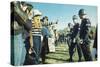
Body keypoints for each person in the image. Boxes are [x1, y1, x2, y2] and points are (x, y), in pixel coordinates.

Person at [11, 1, 30, 65]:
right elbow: (28, 24)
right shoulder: (16, 6)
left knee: (20, 61)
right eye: (25, 6)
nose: (26, 7)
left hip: (21, 36)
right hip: (17, 35)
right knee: (17, 62)